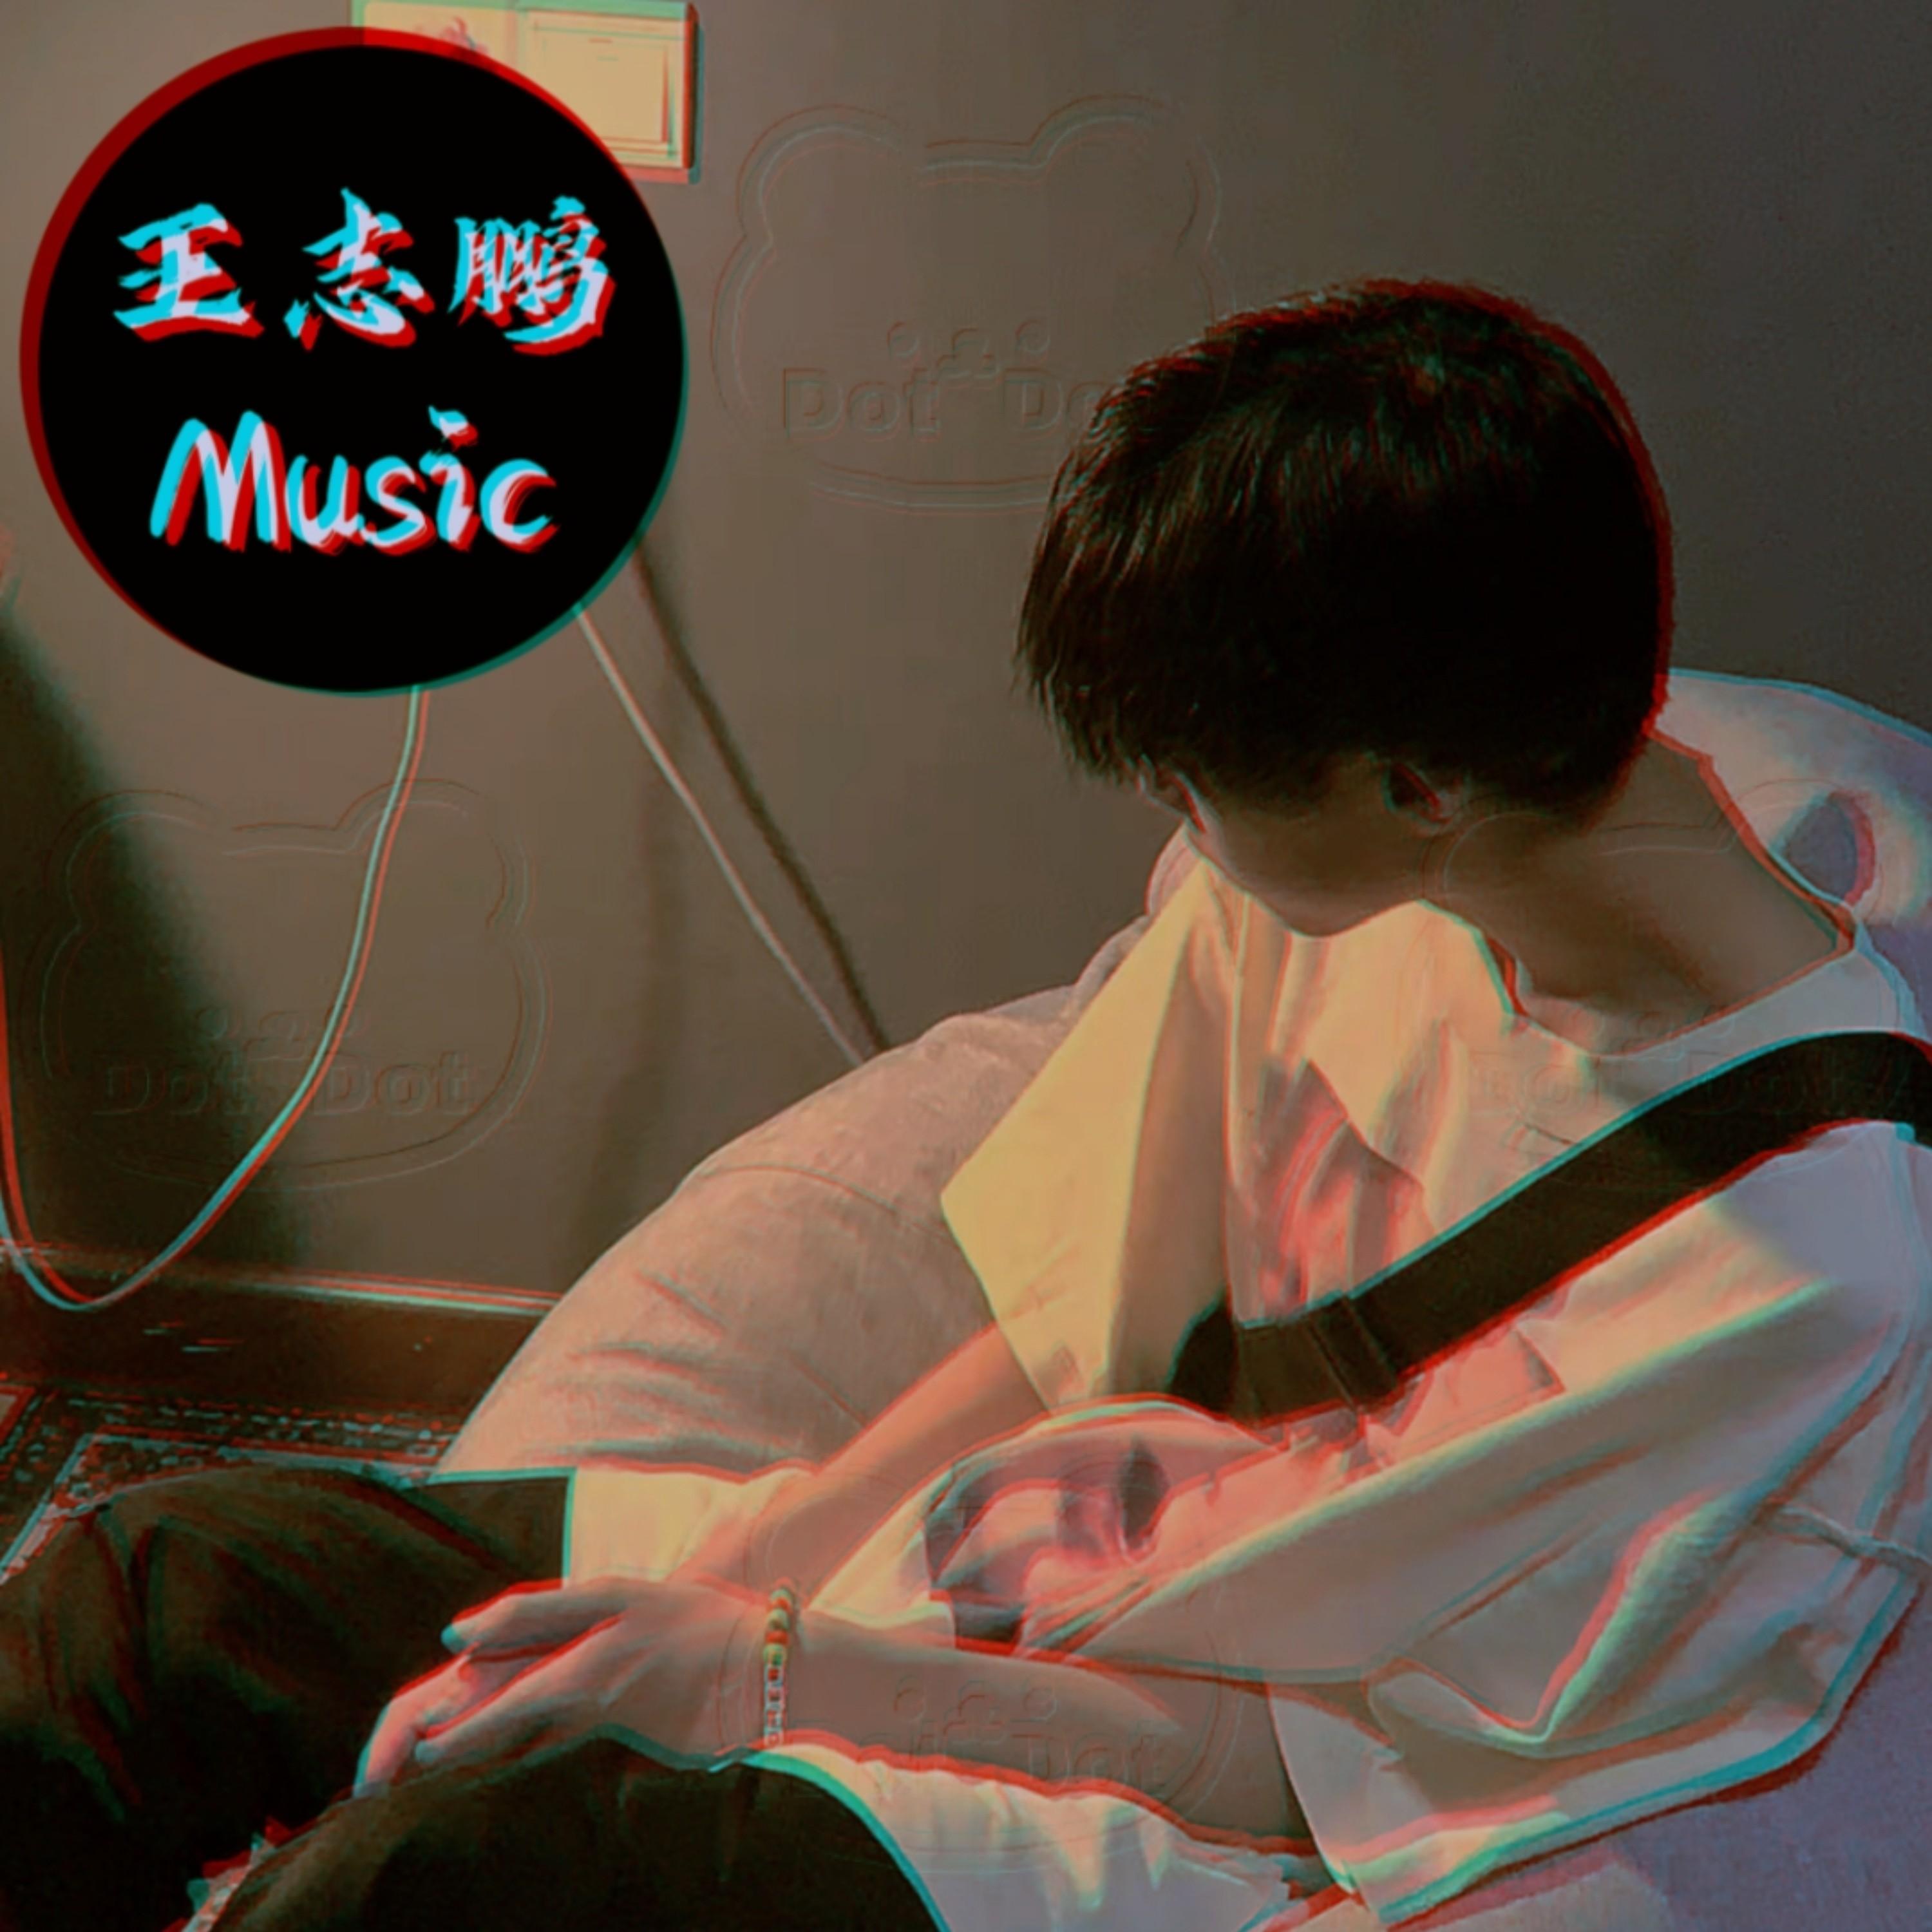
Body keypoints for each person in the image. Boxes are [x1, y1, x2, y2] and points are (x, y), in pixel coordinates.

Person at [3, 279, 1927, 1932]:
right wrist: (737, 1573)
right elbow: (1078, 1316)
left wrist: (766, 1681)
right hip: (992, 1564)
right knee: (151, 1597)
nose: (1178, 839)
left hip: (1143, 1779)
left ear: (1415, 787)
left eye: (1196, 792)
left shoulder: (1806, 1283)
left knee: (423, 1883)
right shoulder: (1398, 862)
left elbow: (1325, 1768)